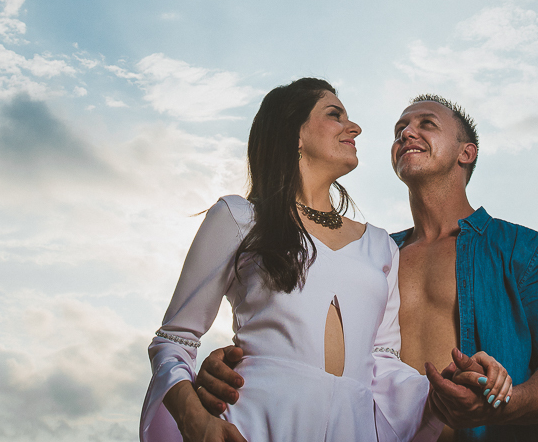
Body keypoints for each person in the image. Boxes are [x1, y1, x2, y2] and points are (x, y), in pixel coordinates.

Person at [194, 94, 538, 441]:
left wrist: (502, 403)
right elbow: (320, 354)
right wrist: (239, 365)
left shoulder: (525, 251)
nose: (407, 133)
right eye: (399, 128)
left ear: (466, 152)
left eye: (427, 124)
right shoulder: (375, 256)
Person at [140, 79, 514, 442]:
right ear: (295, 133)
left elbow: (382, 363)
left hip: (352, 429)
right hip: (255, 422)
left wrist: (450, 384)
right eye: (335, 114)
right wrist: (195, 420)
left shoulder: (380, 245)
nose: (355, 127)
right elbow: (174, 338)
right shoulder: (239, 217)